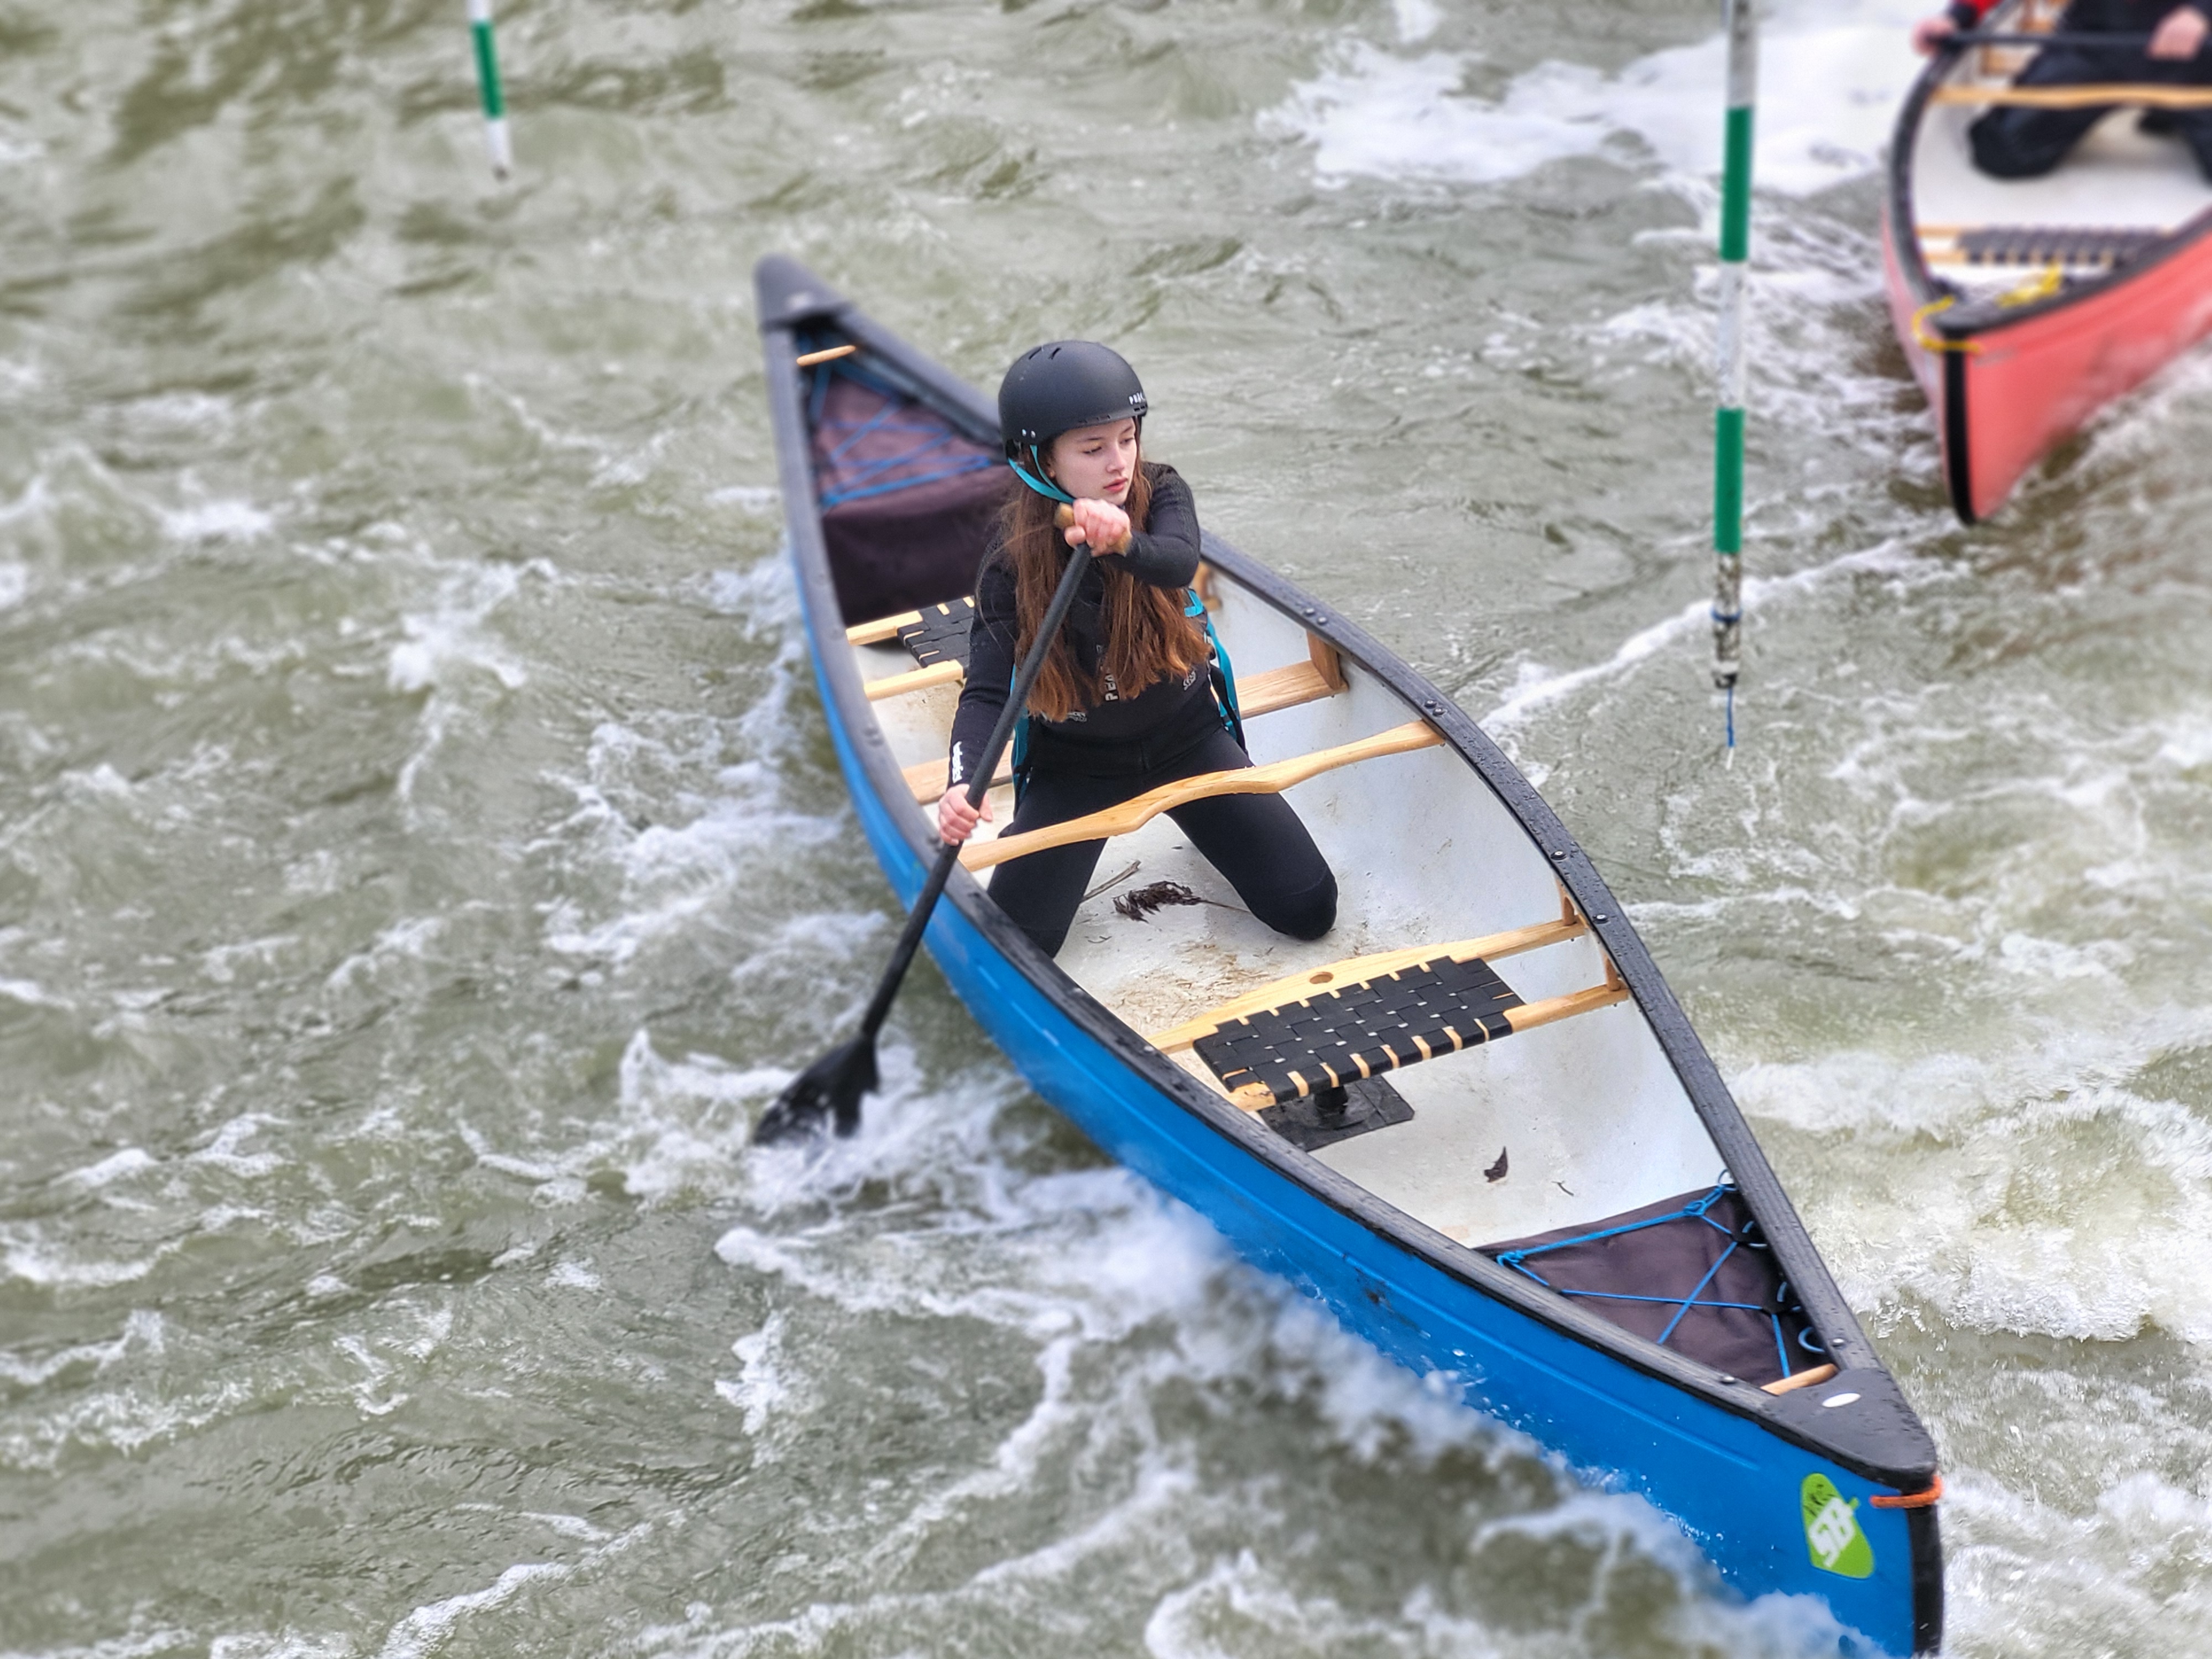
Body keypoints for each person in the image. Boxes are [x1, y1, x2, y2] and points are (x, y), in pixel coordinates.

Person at [934, 341, 1338, 959]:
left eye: (1127, 439)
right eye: (1092, 449)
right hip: (1074, 764)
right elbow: (989, 690)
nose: (1119, 463)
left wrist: (1124, 541)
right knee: (1020, 948)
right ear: (1040, 460)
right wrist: (963, 783)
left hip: (1188, 739)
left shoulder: (1163, 491)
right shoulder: (1009, 555)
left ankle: (1210, 824)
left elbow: (1176, 563)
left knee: (1309, 909)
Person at [1913, 0, 2212, 180]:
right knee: (2001, 153)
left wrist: (2200, 13)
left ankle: (2168, 115)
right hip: (2094, 42)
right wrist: (1955, 18)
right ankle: (2166, 114)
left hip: (2195, 50)